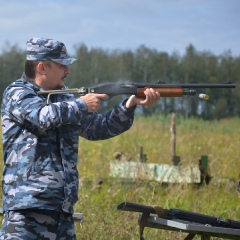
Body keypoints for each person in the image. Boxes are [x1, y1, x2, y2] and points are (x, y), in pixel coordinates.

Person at [0, 37, 160, 240]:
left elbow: (98, 128)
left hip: (62, 211)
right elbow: (43, 116)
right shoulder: (18, 93)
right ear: (42, 67)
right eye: (62, 65)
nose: (68, 71)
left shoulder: (64, 99)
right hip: (26, 211)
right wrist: (81, 105)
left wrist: (129, 105)